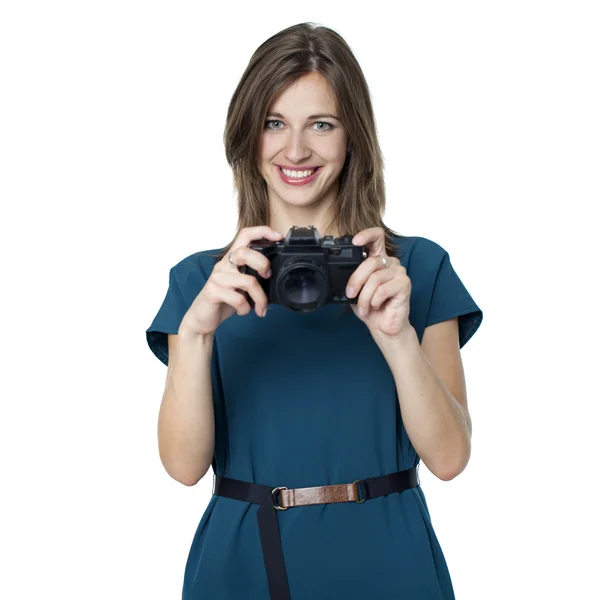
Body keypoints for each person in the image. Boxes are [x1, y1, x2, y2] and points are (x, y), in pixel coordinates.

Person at [146, 22, 483, 600]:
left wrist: (397, 337)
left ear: (352, 136)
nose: (295, 149)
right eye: (274, 123)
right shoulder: (203, 283)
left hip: (386, 557)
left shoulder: (415, 271)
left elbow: (449, 459)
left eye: (320, 124)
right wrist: (197, 333)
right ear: (246, 136)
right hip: (244, 562)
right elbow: (183, 467)